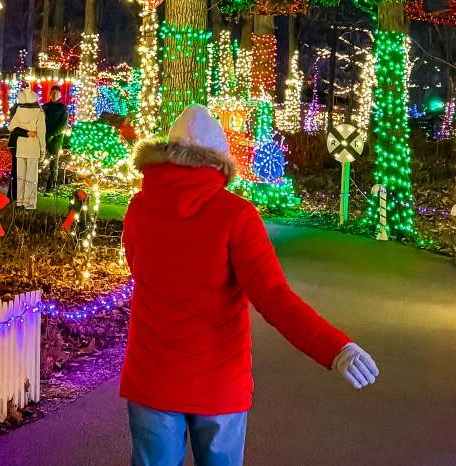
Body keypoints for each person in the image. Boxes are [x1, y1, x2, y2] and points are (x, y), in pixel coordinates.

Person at [122, 105, 378, 466]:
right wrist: (335, 348)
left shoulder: (138, 209)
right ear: (219, 161)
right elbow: (273, 297)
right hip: (218, 382)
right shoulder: (237, 216)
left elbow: (138, 267)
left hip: (152, 375)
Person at [6, 88, 47, 209]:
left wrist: (21, 128)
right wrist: (42, 149)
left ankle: (19, 202)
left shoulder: (19, 111)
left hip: (20, 147)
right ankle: (29, 203)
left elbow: (10, 127)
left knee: (20, 176)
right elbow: (41, 132)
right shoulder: (39, 112)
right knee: (31, 177)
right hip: (33, 146)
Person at [41, 86, 69, 190]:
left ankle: (51, 186)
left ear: (60, 95)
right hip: (43, 137)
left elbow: (63, 126)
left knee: (54, 163)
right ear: (49, 94)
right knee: (41, 161)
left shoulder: (63, 108)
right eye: (52, 92)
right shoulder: (45, 107)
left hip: (56, 140)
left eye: (56, 93)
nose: (54, 94)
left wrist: (52, 135)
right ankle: (40, 183)